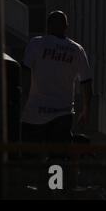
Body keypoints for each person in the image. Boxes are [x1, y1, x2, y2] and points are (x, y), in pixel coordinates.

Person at [21, 10, 92, 150]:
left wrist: (25, 97)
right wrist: (86, 109)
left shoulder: (36, 44)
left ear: (48, 26)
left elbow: (25, 72)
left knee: (29, 158)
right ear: (66, 27)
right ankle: (57, 171)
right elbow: (86, 82)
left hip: (35, 112)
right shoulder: (76, 50)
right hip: (62, 114)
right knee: (58, 158)